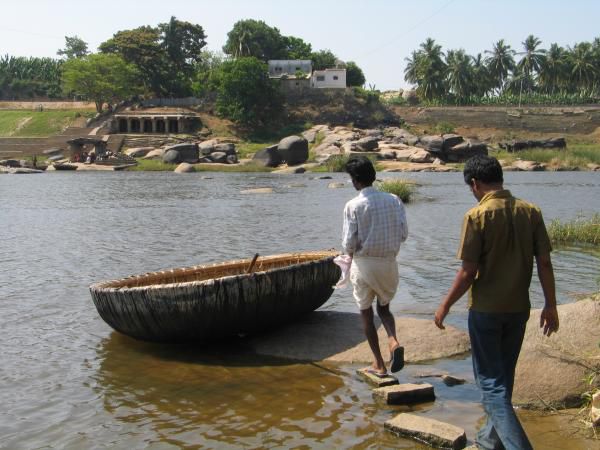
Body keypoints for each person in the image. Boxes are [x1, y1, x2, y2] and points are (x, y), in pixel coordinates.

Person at [434, 155, 559, 450]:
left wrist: (445, 305)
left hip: (486, 312)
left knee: (491, 384)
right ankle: (490, 441)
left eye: (471, 188)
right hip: (518, 310)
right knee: (504, 377)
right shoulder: (531, 212)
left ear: (475, 184)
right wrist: (550, 305)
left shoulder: (476, 216)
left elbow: (468, 272)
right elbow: (544, 263)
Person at [342, 156, 408, 377]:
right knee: (385, 309)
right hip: (389, 264)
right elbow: (404, 234)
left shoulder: (353, 205)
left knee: (366, 314)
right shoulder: (394, 200)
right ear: (374, 176)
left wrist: (346, 259)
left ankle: (379, 364)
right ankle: (393, 341)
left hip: (365, 265)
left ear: (355, 181)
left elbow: (349, 243)